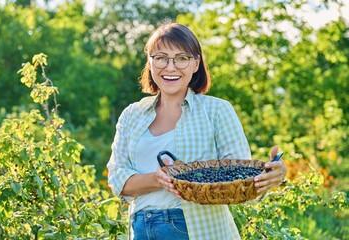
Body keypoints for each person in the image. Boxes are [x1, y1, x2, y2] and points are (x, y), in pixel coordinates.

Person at [107, 22, 287, 240]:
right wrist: (158, 179)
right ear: (150, 62)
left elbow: (238, 184)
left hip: (197, 229)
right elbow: (118, 181)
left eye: (182, 58)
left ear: (196, 64)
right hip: (142, 228)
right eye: (161, 57)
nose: (170, 67)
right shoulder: (131, 115)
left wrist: (270, 176)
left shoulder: (217, 110)